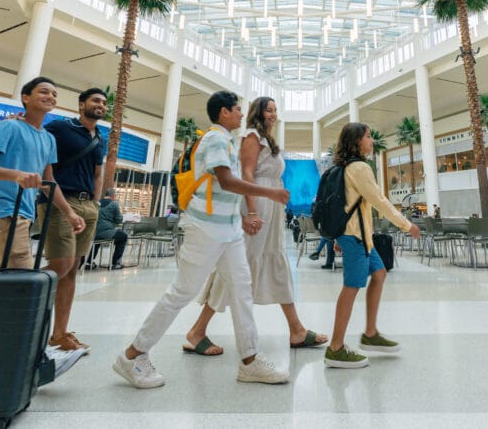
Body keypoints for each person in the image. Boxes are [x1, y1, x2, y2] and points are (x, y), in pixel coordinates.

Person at [113, 91, 291, 389]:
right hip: (206, 229)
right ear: (223, 112)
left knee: (242, 290)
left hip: (229, 230)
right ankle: (132, 355)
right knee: (182, 291)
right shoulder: (215, 139)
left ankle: (249, 361)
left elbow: (224, 188)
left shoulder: (228, 141)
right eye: (236, 109)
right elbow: (227, 181)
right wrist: (269, 193)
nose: (241, 113)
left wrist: (241, 218)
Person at [0, 76, 87, 379]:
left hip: (22, 215)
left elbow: (48, 182)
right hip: (3, 213)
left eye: (54, 93)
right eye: (43, 91)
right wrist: (16, 175)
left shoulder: (48, 139)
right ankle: (33, 361)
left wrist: (69, 212)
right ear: (26, 98)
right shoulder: (9, 127)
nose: (50, 96)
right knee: (24, 287)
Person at [188, 96, 328, 355]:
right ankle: (197, 331)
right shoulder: (252, 136)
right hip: (258, 204)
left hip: (271, 206)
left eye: (275, 110)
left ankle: (296, 329)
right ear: (258, 113)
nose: (273, 114)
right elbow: (247, 174)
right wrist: (252, 210)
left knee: (275, 262)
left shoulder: (267, 139)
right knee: (237, 265)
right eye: (268, 110)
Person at [324, 122, 421, 369]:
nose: (372, 140)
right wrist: (406, 225)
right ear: (356, 141)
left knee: (379, 273)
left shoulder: (345, 166)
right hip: (355, 237)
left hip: (359, 236)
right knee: (351, 287)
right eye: (367, 136)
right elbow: (380, 201)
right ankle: (335, 348)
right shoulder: (359, 168)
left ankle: (370, 333)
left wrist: (338, 236)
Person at [40, 87, 108, 355]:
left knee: (71, 269)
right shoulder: (60, 128)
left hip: (87, 206)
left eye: (104, 102)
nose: (101, 105)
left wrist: (96, 203)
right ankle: (20, 290)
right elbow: (39, 144)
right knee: (61, 264)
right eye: (95, 100)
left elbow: (98, 173)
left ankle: (60, 333)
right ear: (81, 105)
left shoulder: (99, 137)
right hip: (61, 202)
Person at [92, 188, 127, 270]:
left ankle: (88, 262)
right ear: (114, 196)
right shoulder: (114, 204)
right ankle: (116, 263)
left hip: (93, 232)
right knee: (123, 236)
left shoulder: (97, 202)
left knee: (96, 241)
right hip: (106, 232)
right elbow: (118, 220)